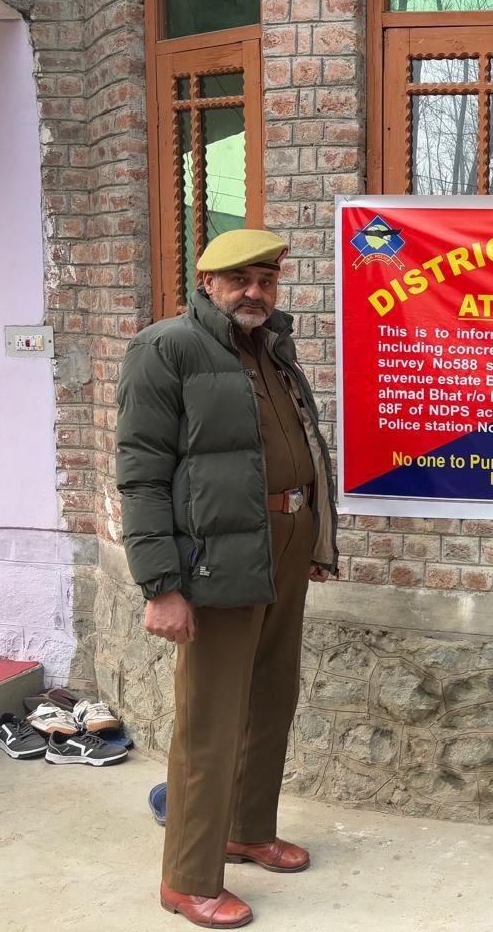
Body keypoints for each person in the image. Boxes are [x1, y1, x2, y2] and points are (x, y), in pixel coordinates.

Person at [116, 229, 339, 928]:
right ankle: (188, 879)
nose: (255, 292)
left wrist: (317, 539)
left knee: (272, 698)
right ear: (207, 282)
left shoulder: (272, 347)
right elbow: (142, 475)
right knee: (210, 722)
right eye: (240, 279)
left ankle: (247, 831)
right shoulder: (166, 348)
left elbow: (302, 445)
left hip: (285, 544)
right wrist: (161, 585)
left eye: (266, 280)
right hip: (215, 560)